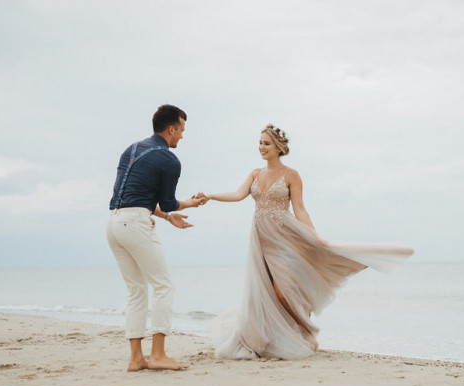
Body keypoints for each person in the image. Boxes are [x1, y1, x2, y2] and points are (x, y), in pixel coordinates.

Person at [197, 124, 413, 360]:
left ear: (279, 147)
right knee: (263, 290)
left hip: (285, 236)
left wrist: (314, 236)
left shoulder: (291, 175)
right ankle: (264, 335)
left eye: (266, 143)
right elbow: (238, 195)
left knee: (283, 289)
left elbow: (300, 209)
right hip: (260, 237)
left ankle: (305, 329)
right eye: (259, 143)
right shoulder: (254, 174)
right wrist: (210, 196)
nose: (261, 147)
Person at [106, 104, 204, 371]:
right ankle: (158, 355)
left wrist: (166, 217)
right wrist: (189, 204)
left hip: (114, 223)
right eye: (182, 130)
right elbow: (169, 201)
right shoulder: (169, 160)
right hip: (135, 224)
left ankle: (137, 358)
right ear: (171, 128)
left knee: (136, 290)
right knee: (164, 286)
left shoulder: (132, 149)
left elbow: (135, 198)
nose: (182, 136)